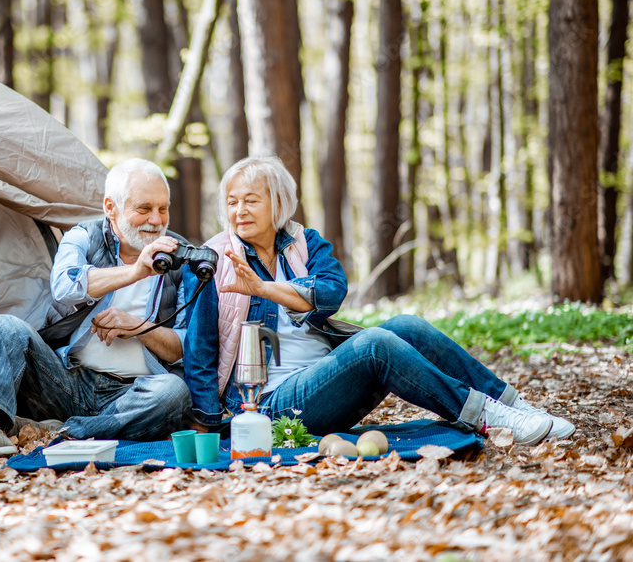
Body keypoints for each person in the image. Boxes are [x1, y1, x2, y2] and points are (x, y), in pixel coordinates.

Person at [183, 155, 575, 446]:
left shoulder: (305, 242)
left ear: (278, 202)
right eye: (232, 201)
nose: (239, 211)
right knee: (375, 344)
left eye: (251, 200)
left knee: (408, 326)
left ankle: (515, 406)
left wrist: (265, 289)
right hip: (268, 404)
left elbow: (332, 292)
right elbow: (199, 350)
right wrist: (212, 424)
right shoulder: (214, 260)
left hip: (325, 379)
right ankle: (489, 419)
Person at [0, 158, 192, 456]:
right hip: (66, 380)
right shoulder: (84, 236)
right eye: (144, 208)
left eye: (163, 208)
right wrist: (135, 271)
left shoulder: (181, 255)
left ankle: (61, 431)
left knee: (174, 392)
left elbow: (184, 346)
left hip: (132, 394)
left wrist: (137, 327)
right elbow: (64, 287)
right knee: (2, 326)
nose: (156, 220)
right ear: (111, 208)